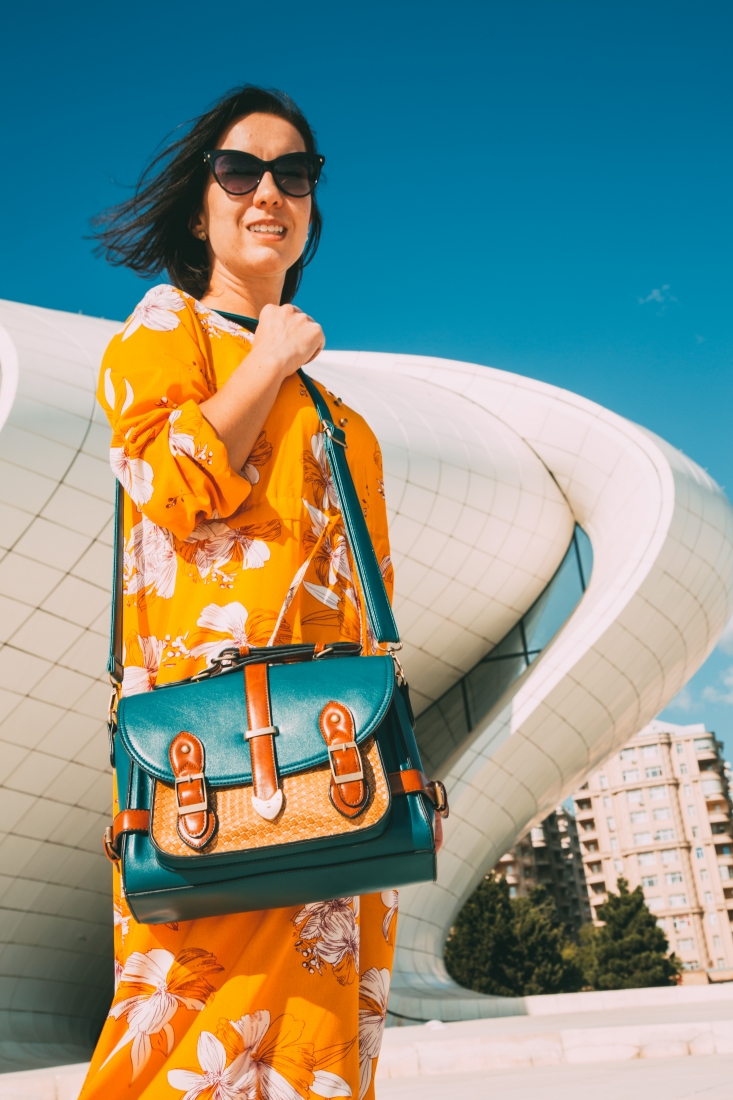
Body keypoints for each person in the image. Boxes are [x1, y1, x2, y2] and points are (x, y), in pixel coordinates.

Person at [80, 84, 398, 1100]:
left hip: (333, 761)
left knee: (314, 1049)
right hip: (206, 758)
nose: (269, 190)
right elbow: (173, 485)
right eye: (240, 169)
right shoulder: (164, 331)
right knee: (184, 1031)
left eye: (293, 172)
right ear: (199, 204)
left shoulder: (339, 415)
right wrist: (266, 354)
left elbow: (367, 611)